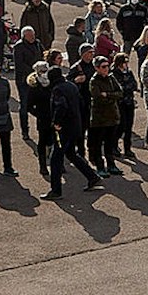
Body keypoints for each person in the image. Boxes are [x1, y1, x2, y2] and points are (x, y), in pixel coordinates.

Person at [46, 64, 105, 199]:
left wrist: (56, 122)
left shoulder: (57, 89)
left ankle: (56, 190)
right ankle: (92, 177)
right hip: (76, 126)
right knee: (71, 153)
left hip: (63, 129)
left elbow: (61, 106)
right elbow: (81, 104)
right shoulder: (71, 86)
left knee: (55, 158)